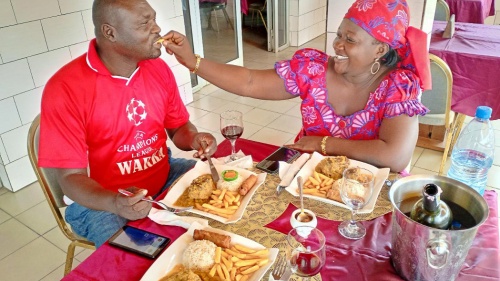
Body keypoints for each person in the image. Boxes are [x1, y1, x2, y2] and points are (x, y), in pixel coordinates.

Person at [162, 0, 431, 172]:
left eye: (350, 39)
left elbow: (394, 156)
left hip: (368, 195)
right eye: (338, 35)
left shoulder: (398, 86)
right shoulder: (313, 69)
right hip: (309, 181)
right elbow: (249, 81)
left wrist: (324, 144)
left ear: (379, 50)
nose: (337, 44)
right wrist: (192, 61)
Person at [37, 0, 217, 248]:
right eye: (145, 24)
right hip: (101, 203)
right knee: (134, 262)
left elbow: (178, 129)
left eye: (153, 19)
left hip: (163, 176)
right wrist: (115, 202)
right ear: (110, 32)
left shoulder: (157, 68)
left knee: (221, 193)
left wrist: (194, 138)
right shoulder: (65, 89)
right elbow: (69, 178)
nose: (157, 29)